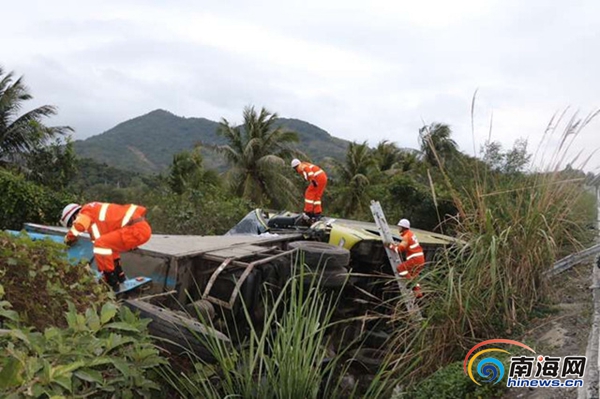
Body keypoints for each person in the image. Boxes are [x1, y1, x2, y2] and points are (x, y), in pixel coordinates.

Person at [59, 202, 152, 290]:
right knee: (108, 246)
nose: (72, 225)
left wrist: (69, 238)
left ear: (73, 217)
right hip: (140, 229)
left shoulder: (85, 211)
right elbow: (109, 251)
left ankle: (111, 281)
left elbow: (79, 226)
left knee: (100, 244)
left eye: (71, 224)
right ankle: (119, 276)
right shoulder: (95, 216)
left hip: (135, 230)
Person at [387, 218, 425, 298]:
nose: (398, 228)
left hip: (415, 259)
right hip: (420, 259)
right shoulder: (410, 234)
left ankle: (410, 283)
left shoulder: (406, 236)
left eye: (399, 227)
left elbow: (399, 249)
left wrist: (391, 246)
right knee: (413, 276)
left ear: (403, 227)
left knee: (401, 269)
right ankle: (418, 293)